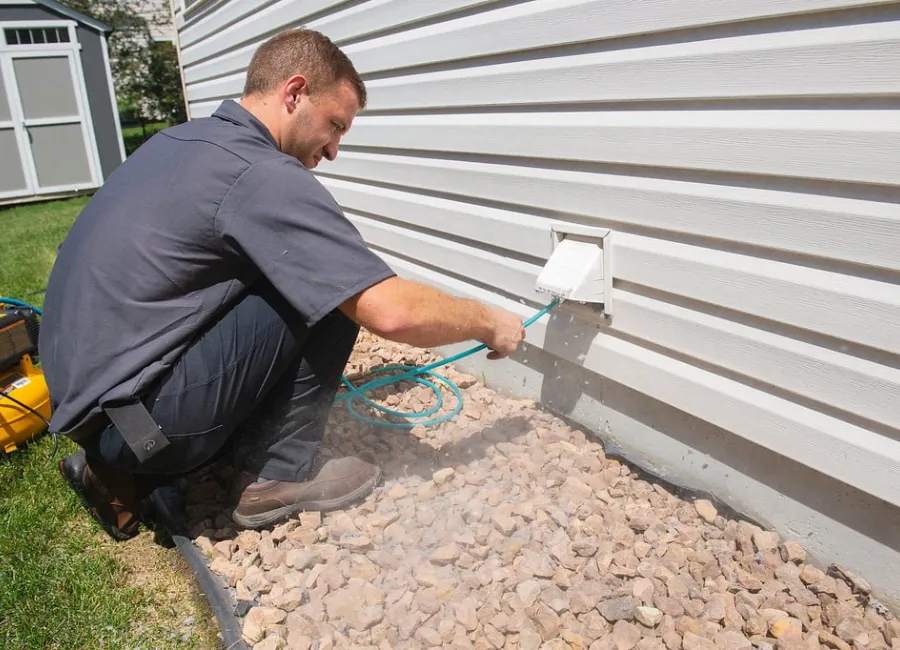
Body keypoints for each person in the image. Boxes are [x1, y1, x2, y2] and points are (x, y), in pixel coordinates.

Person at [39, 28, 526, 541]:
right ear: (294, 94)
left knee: (300, 271)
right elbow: (391, 312)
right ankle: (277, 476)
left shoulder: (181, 141)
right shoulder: (261, 173)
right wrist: (488, 321)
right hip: (144, 428)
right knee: (334, 288)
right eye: (334, 125)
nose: (334, 150)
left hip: (88, 409)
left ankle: (113, 475)